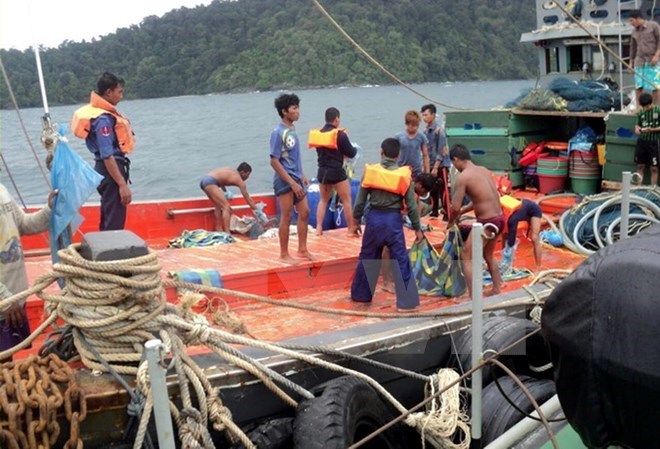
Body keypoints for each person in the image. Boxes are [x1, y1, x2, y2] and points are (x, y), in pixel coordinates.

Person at [350, 138, 424, 312]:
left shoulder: (370, 173)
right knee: (401, 260)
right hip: (393, 221)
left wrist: (355, 221)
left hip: (374, 219)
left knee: (368, 256)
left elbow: (360, 201)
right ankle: (407, 304)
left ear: (381, 153)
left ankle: (361, 296)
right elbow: (412, 206)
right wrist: (418, 229)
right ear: (398, 155)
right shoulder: (404, 176)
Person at [71, 72, 135, 231]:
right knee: (114, 218)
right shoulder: (103, 119)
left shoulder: (102, 115)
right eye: (119, 92)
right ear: (108, 92)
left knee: (110, 213)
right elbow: (107, 154)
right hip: (111, 171)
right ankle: (111, 252)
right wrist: (122, 184)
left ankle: (107, 249)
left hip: (107, 170)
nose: (121, 96)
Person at [0, 183, 56, 354]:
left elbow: (25, 224)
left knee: (9, 364)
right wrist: (4, 298)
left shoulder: (2, 189)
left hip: (15, 298)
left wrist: (50, 209)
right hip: (5, 302)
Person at [446, 144, 504, 297]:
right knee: (488, 255)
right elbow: (480, 199)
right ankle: (497, 288)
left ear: (456, 159)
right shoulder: (483, 170)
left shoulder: (463, 177)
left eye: (453, 164)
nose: (454, 167)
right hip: (499, 218)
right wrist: (463, 212)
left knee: (467, 256)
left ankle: (473, 296)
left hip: (487, 223)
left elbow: (455, 207)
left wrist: (451, 221)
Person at [269, 93, 313, 263]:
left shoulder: (292, 131)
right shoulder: (278, 132)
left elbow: (293, 156)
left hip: (296, 178)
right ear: (284, 111)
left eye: (297, 107)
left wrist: (301, 175)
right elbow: (274, 160)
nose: (298, 111)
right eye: (294, 108)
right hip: (285, 180)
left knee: (305, 212)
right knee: (286, 215)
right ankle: (284, 254)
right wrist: (291, 182)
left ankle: (302, 249)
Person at [308, 107, 357, 236]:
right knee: (346, 200)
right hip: (337, 172)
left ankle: (318, 228)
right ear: (336, 119)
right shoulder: (340, 135)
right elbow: (351, 153)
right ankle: (351, 229)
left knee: (323, 200)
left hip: (322, 172)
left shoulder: (319, 135)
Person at [199, 162, 264, 232]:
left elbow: (220, 180)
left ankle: (219, 228)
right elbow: (248, 199)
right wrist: (258, 211)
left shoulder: (231, 171)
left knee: (218, 205)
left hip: (204, 181)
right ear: (242, 172)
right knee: (226, 207)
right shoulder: (239, 180)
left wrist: (225, 191)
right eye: (247, 175)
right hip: (210, 182)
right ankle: (227, 233)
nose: (247, 178)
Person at [421, 104, 449, 217]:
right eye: (423, 115)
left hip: (440, 165)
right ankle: (434, 211)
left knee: (443, 189)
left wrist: (436, 166)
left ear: (433, 115)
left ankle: (447, 212)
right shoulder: (426, 131)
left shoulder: (439, 131)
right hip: (431, 163)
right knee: (432, 189)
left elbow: (442, 150)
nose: (424, 118)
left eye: (426, 115)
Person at [501, 198, 543, 271]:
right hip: (520, 209)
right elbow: (505, 235)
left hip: (534, 210)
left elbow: (511, 240)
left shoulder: (512, 219)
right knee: (504, 235)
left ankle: (538, 267)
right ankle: (505, 262)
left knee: (534, 238)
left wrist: (510, 249)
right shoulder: (503, 214)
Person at [628, 9, 660, 105]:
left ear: (638, 19)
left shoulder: (653, 26)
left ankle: (655, 108)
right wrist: (631, 63)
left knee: (655, 85)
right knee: (638, 86)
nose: (631, 23)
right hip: (639, 61)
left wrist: (657, 56)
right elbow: (632, 48)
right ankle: (639, 108)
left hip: (652, 60)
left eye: (632, 20)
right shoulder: (634, 32)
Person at [634, 92, 660, 186]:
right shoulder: (641, 112)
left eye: (647, 107)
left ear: (651, 103)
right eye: (643, 107)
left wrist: (652, 129)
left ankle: (653, 189)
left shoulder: (658, 110)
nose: (645, 109)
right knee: (640, 166)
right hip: (642, 142)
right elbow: (637, 124)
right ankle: (638, 188)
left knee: (654, 168)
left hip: (654, 142)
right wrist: (637, 129)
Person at [395, 110, 430, 178]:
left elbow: (425, 155)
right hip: (401, 169)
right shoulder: (399, 137)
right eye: (413, 125)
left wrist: (427, 173)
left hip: (416, 171)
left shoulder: (421, 137)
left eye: (417, 125)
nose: (415, 128)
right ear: (407, 124)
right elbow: (394, 154)